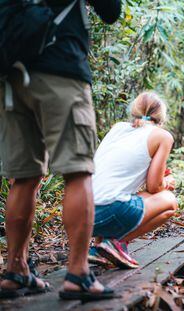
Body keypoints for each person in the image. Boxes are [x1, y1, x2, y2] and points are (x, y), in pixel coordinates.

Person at [0, 0, 121, 301]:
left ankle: (15, 270)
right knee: (77, 171)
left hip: (12, 77)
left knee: (23, 176)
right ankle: (78, 274)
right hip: (61, 68)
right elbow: (111, 10)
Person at [89, 92, 178, 269]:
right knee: (170, 201)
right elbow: (154, 187)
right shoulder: (162, 136)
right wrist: (167, 182)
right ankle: (117, 242)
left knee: (117, 192)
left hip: (81, 215)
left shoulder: (118, 128)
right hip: (108, 212)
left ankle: (98, 249)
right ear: (162, 117)